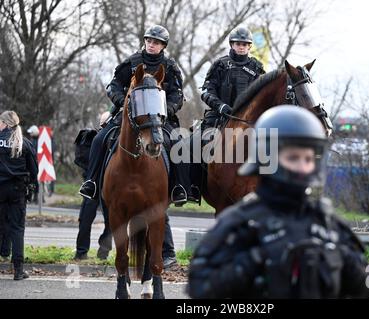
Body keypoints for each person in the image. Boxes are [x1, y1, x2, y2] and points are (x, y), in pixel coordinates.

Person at [187, 105, 369, 299]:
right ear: (267, 156)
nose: (303, 167)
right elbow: (199, 287)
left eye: (308, 158)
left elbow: (367, 287)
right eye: (293, 157)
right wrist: (256, 258)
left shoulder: (328, 223)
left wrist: (340, 255)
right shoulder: (241, 222)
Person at [79, 24, 189, 206]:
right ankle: (92, 183)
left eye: (156, 42)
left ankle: (179, 187)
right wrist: (124, 103)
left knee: (179, 144)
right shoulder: (131, 63)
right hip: (129, 115)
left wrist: (166, 110)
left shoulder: (170, 67)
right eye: (149, 41)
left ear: (163, 46)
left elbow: (177, 94)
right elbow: (113, 86)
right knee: (99, 139)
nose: (151, 44)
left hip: (159, 118)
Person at [200, 26, 265, 131]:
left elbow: (261, 95)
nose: (241, 47)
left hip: (247, 119)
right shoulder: (220, 64)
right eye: (238, 44)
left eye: (244, 44)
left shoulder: (256, 68)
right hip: (219, 117)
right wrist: (221, 106)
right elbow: (206, 92)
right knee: (196, 143)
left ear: (249, 47)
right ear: (232, 45)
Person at [0, 111, 38, 280]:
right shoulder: (25, 143)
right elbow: (34, 170)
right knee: (17, 229)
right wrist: (32, 187)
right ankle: (18, 270)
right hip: (17, 190)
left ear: (5, 123)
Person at [73, 112, 113, 261]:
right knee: (87, 220)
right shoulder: (95, 138)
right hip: (96, 187)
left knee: (109, 223)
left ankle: (96, 252)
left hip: (104, 188)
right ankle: (84, 252)